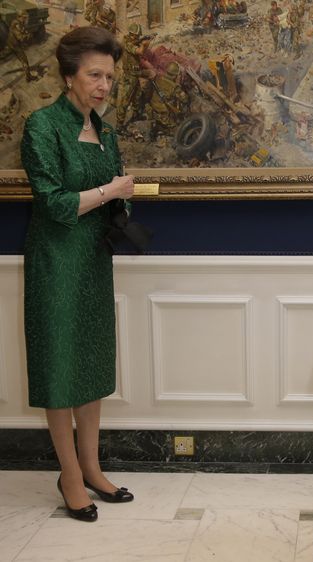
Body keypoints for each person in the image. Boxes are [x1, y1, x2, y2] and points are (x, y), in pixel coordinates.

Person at [20, 26, 136, 523]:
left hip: (92, 259)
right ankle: (69, 475)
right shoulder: (42, 127)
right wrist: (113, 191)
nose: (104, 85)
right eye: (94, 75)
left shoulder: (105, 130)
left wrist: (122, 199)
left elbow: (109, 191)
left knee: (90, 363)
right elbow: (55, 204)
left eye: (109, 76)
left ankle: (92, 467)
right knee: (61, 365)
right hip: (55, 259)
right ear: (70, 75)